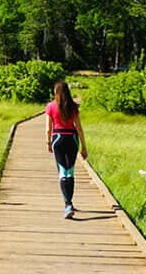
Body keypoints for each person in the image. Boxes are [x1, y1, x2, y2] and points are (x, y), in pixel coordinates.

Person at [45, 81, 88, 219]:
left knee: (62, 172)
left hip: (57, 138)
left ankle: (68, 204)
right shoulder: (73, 106)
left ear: (55, 92)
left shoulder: (50, 106)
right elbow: (79, 128)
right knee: (70, 172)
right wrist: (84, 147)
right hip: (72, 139)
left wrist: (48, 143)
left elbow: (48, 129)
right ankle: (69, 203)